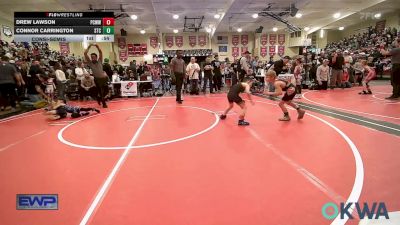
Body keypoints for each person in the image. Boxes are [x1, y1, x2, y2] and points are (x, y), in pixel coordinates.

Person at [84, 43, 108, 108]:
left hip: (103, 78)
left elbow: (100, 52)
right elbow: (85, 54)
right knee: (101, 91)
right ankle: (104, 103)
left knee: (106, 91)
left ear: (96, 57)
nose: (93, 58)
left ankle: (99, 98)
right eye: (92, 57)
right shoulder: (90, 63)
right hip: (97, 79)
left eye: (94, 57)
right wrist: (89, 46)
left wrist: (97, 46)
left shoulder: (100, 61)